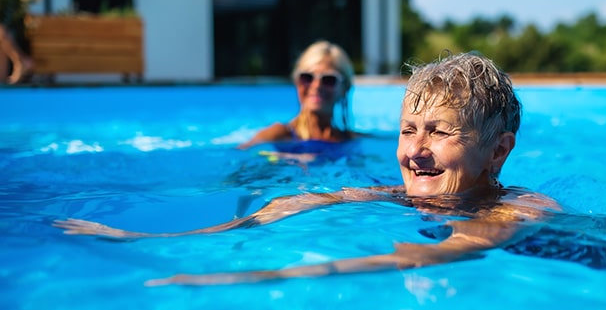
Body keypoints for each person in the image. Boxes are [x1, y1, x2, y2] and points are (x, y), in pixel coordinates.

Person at [53, 51, 562, 286]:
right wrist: (146, 238)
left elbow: (429, 258)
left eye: (440, 131)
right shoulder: (408, 193)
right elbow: (304, 200)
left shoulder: (517, 212)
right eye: (408, 130)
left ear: (498, 151)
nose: (415, 150)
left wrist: (259, 276)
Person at [237, 40, 358, 151]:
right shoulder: (277, 135)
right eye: (307, 78)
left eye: (329, 80)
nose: (316, 86)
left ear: (345, 88)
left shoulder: (351, 139)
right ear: (297, 82)